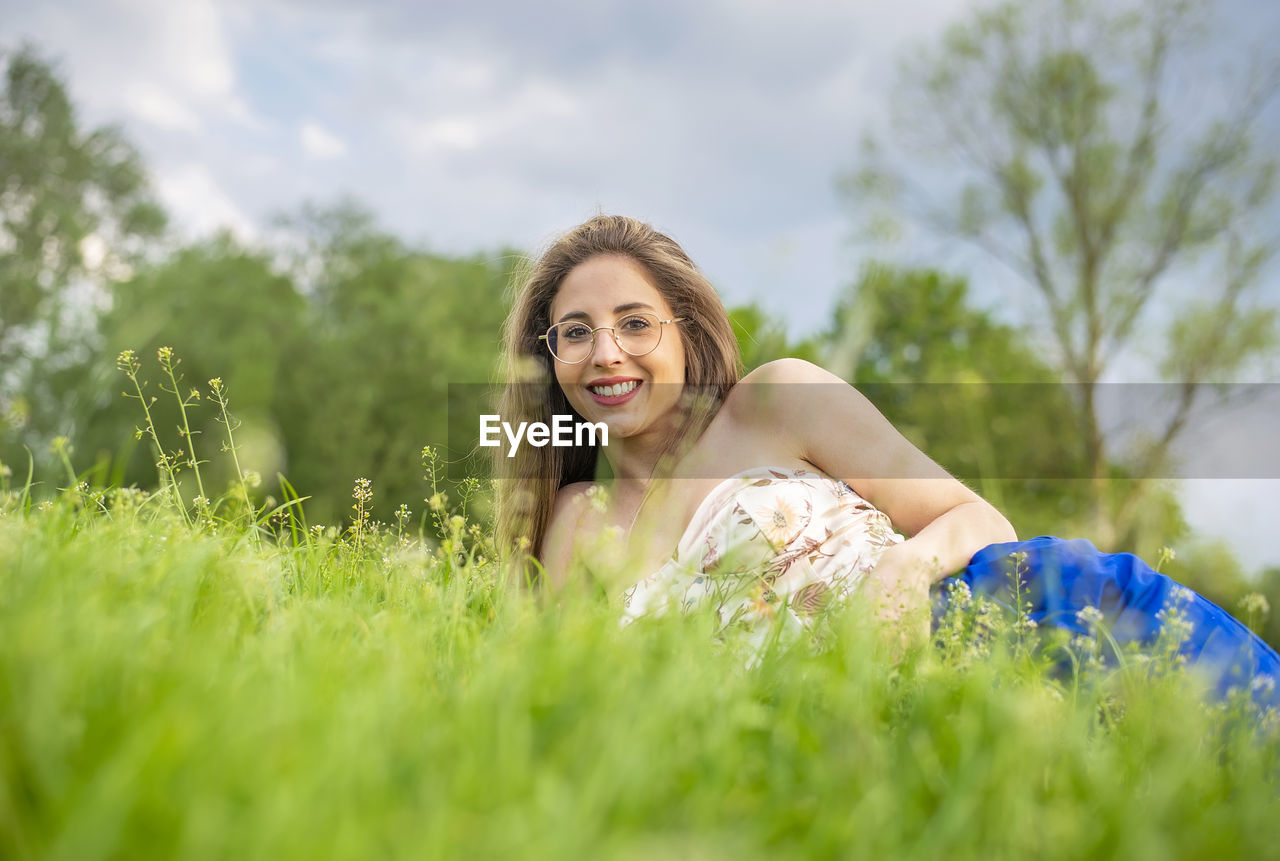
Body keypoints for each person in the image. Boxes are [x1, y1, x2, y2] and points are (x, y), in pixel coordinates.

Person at [495, 214, 1279, 707]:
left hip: (1012, 616)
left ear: (683, 329)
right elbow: (581, 713)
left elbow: (978, 516)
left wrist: (904, 571)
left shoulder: (777, 400)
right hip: (858, 740)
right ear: (550, 357)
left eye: (635, 323)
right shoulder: (575, 523)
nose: (607, 353)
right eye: (575, 331)